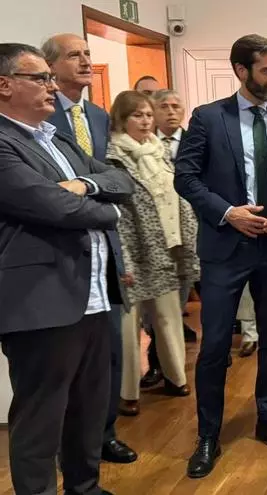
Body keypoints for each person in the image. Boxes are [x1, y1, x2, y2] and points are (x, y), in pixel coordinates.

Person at [174, 34, 267, 479]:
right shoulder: (208, 118)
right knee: (215, 345)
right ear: (241, 70)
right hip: (224, 248)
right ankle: (208, 435)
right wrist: (227, 212)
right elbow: (185, 177)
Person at [0, 42, 134, 495]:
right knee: (40, 418)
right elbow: (51, 206)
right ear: (4, 85)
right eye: (40, 78)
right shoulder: (3, 142)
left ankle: (85, 488)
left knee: (89, 409)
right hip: (41, 300)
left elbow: (121, 178)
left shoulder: (54, 137)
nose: (52, 87)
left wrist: (82, 184)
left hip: (92, 294)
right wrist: (110, 212)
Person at [42, 32, 137, 465]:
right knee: (64, 364)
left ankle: (103, 435)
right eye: (73, 55)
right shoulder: (41, 121)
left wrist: (121, 253)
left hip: (105, 247)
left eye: (87, 54)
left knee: (109, 353)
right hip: (60, 252)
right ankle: (68, 447)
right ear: (50, 67)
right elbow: (49, 193)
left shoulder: (97, 116)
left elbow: (114, 181)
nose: (84, 62)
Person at [106, 90, 197, 415]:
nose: (145, 121)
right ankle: (128, 391)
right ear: (121, 119)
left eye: (147, 114)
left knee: (169, 317)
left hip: (166, 248)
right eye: (137, 115)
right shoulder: (113, 158)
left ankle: (175, 377)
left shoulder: (159, 152)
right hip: (133, 251)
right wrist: (123, 261)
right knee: (128, 326)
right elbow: (117, 215)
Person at [140, 88, 198, 391]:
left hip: (188, 235)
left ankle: (171, 365)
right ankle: (156, 362)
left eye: (177, 106)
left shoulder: (195, 141)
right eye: (164, 106)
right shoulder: (142, 146)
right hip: (154, 234)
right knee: (155, 308)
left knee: (178, 301)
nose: (171, 111)